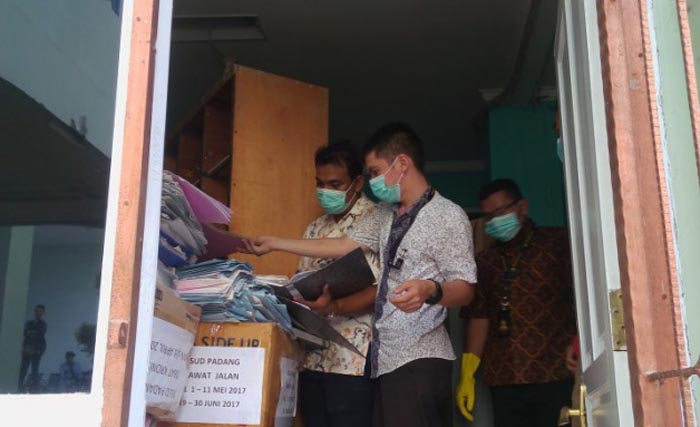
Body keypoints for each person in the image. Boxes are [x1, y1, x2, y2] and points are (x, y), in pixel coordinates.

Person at [243, 122, 477, 427]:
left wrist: (429, 289)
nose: (373, 181)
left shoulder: (448, 215)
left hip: (419, 357)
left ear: (402, 164)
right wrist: (274, 244)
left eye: (376, 172)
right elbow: (342, 244)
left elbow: (466, 288)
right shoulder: (385, 213)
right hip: (384, 360)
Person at [457, 178, 577, 427]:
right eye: (488, 217)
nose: (494, 221)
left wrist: (580, 343)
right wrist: (467, 372)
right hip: (504, 377)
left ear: (522, 207)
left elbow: (583, 297)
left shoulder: (558, 243)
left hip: (555, 370)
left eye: (500, 212)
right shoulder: (485, 261)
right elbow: (480, 316)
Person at [296, 141, 380, 427]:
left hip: (352, 360)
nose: (325, 192)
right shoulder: (314, 228)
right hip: (310, 356)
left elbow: (381, 289)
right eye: (319, 183)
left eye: (334, 183)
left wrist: (334, 306)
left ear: (357, 183)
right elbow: (301, 280)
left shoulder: (377, 220)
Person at [18, 304, 47, 392]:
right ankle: (19, 387)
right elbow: (25, 334)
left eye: (39, 311)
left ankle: (34, 388)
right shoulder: (29, 323)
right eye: (36, 310)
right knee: (23, 368)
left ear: (43, 312)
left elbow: (40, 334)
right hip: (27, 348)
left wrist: (31, 333)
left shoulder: (43, 324)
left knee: (35, 369)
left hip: (37, 349)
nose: (37, 312)